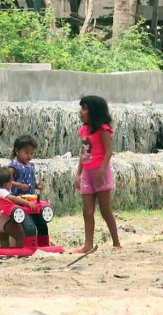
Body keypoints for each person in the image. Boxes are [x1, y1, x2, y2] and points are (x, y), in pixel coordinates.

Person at [72, 95, 121, 254]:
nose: (81, 112)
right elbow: (84, 152)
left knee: (105, 210)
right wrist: (79, 173)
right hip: (87, 173)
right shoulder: (84, 131)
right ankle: (88, 245)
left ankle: (116, 243)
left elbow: (108, 151)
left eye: (84, 108)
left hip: (101, 173)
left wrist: (101, 170)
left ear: (94, 111)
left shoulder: (103, 130)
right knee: (87, 211)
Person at [0, 168, 37, 248]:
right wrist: (27, 202)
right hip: (6, 223)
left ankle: (5, 253)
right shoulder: (3, 192)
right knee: (20, 236)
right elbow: (13, 199)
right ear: (7, 184)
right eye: (11, 183)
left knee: (4, 239)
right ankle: (21, 253)